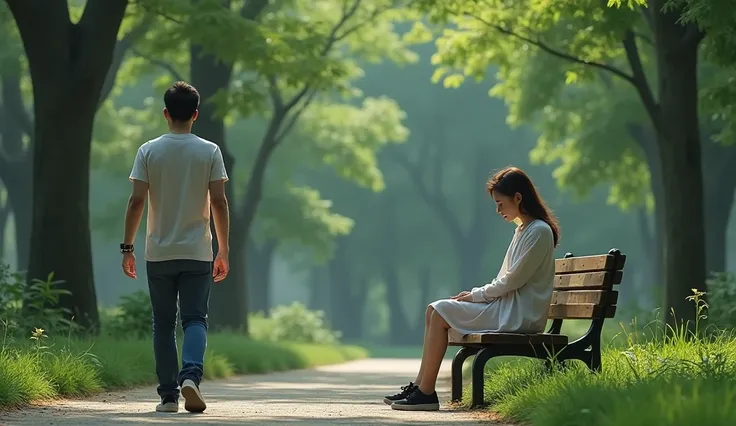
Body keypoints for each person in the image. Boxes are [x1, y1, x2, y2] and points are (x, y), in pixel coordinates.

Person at [385, 166, 560, 411]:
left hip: (519, 315)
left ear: (518, 198)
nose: (498, 210)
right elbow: (508, 279)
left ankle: (426, 393)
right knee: (433, 311)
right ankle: (421, 386)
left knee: (440, 310)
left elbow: (512, 281)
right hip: (506, 307)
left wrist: (477, 295)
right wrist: (478, 297)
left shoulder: (539, 231)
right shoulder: (523, 230)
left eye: (501, 203)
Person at [120, 81, 231, 414]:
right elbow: (219, 202)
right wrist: (223, 250)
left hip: (159, 251)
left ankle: (168, 396)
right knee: (195, 318)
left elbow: (137, 200)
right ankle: (191, 377)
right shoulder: (209, 150)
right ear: (195, 115)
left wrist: (127, 247)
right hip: (197, 251)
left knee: (164, 324)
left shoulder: (148, 151)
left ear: (166, 114)